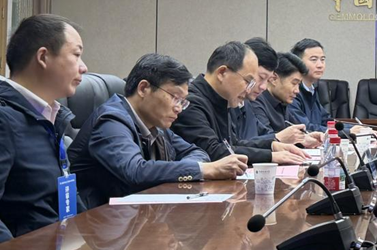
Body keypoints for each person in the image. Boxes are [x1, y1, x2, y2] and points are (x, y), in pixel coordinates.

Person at [68, 53, 249, 209]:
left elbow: (197, 152)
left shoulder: (156, 126)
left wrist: (194, 168)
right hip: (97, 224)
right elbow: (135, 171)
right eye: (175, 97)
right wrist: (204, 170)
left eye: (183, 101)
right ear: (143, 88)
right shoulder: (111, 121)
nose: (179, 108)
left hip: (135, 216)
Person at [0, 14, 88, 242]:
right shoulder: (4, 119)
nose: (84, 67)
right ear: (43, 57)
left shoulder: (51, 117)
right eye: (76, 55)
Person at [170, 41, 306, 165]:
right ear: (222, 73)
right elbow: (213, 151)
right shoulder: (191, 103)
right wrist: (270, 156)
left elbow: (232, 144)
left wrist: (272, 145)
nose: (249, 89)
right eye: (248, 81)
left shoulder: (223, 99)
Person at [289, 38, 377, 138]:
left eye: (322, 59)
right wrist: (348, 131)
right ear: (298, 63)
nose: (320, 65)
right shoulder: (292, 93)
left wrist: (359, 129)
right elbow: (306, 128)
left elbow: (326, 121)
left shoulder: (312, 89)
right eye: (314, 60)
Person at [233, 38, 312, 148]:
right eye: (294, 83)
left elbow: (261, 134)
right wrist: (277, 139)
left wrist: (303, 138)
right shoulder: (253, 100)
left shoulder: (246, 102)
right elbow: (233, 146)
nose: (263, 87)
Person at [252, 52, 325, 147]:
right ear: (274, 79)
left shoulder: (282, 102)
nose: (297, 91)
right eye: (294, 83)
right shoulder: (256, 101)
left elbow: (295, 131)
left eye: (299, 84)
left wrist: (306, 137)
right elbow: (265, 138)